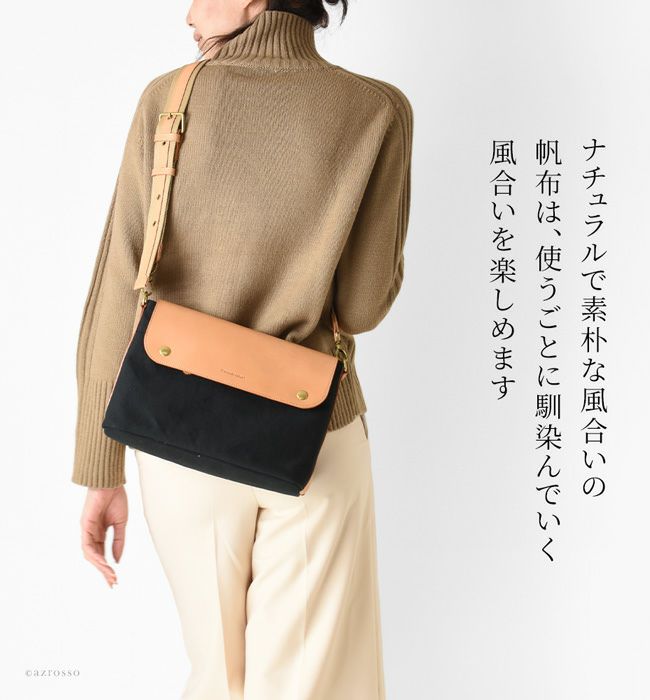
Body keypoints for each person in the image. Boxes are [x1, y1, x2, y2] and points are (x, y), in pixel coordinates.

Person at [72, 1, 413, 698]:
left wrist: (100, 467)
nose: (189, 13)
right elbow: (362, 307)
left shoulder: (169, 100)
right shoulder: (378, 110)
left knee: (218, 679)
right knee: (310, 684)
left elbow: (118, 287)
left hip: (180, 439)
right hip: (313, 438)